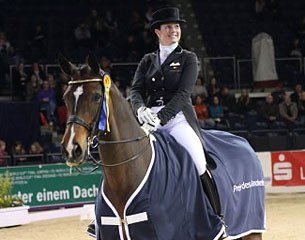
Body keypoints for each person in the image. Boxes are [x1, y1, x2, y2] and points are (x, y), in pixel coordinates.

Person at [130, 7, 221, 216]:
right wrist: (140, 108)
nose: (174, 30)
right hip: (148, 118)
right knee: (123, 156)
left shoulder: (189, 58)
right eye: (168, 27)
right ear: (157, 32)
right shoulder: (147, 60)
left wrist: (160, 119)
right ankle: (108, 213)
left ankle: (217, 216)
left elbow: (183, 95)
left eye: (177, 26)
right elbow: (135, 90)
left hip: (177, 119)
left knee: (198, 161)